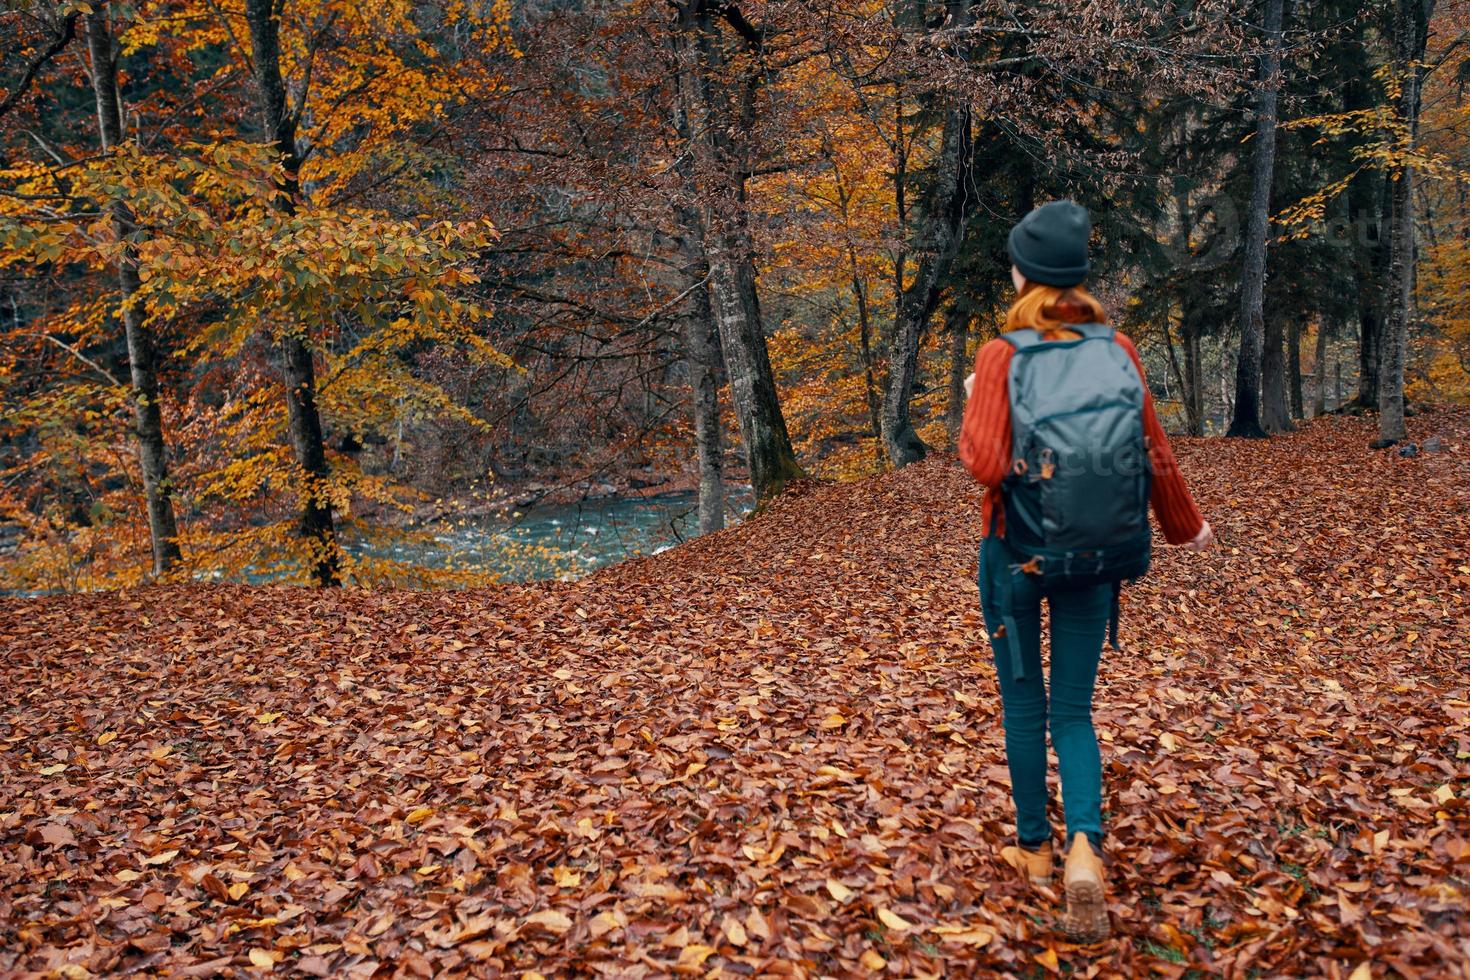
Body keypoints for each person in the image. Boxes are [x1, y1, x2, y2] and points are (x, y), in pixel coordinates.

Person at [958, 200, 1213, 942]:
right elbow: (1154, 449)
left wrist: (978, 403)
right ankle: (1085, 854)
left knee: (1023, 703)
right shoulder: (1119, 349)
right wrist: (1184, 527)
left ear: (1022, 273)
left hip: (1014, 553)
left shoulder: (1002, 354)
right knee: (1074, 710)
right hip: (1097, 555)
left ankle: (1034, 848)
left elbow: (982, 464)